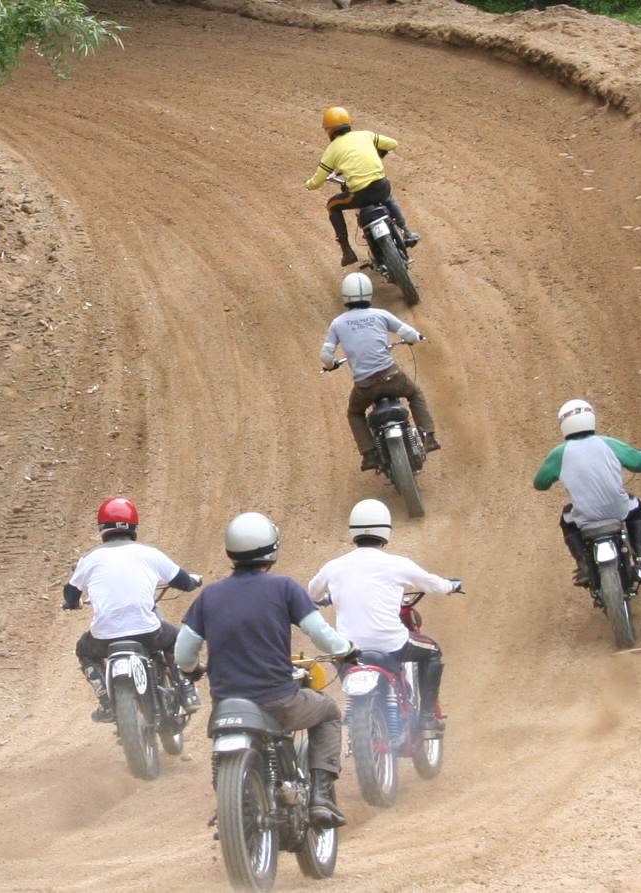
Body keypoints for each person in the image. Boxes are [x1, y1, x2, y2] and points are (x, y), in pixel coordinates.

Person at [175, 512, 357, 828]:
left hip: (227, 706)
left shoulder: (209, 596)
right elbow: (321, 634)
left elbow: (183, 654)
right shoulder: (284, 587)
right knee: (328, 712)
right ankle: (321, 797)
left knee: (222, 741)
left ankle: (228, 805)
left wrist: (192, 670)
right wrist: (347, 650)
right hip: (279, 701)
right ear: (272, 548)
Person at [309, 499, 461, 732]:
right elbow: (433, 585)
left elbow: (312, 592)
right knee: (433, 652)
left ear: (353, 531)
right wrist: (451, 585)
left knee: (343, 658)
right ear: (386, 530)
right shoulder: (397, 564)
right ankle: (427, 718)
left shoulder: (334, 566)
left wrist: (329, 597)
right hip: (392, 644)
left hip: (347, 649)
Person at [63, 497, 203, 723]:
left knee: (85, 651)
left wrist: (72, 603)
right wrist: (193, 582)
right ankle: (187, 690)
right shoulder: (150, 554)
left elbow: (70, 593)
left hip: (104, 638)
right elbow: (184, 582)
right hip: (147, 632)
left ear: (102, 528)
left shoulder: (89, 559)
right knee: (175, 638)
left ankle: (107, 702)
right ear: (134, 526)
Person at [321, 271, 438, 470]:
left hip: (365, 387)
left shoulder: (338, 323)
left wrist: (330, 364)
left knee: (355, 413)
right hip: (392, 377)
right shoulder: (381, 315)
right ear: (368, 292)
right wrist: (416, 338)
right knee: (415, 393)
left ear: (345, 296)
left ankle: (369, 454)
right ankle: (429, 436)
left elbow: (326, 354)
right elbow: (408, 333)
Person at [533, 399, 641, 586]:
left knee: (566, 518)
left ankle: (584, 566)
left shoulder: (559, 454)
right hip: (618, 510)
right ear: (591, 418)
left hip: (585, 518)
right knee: (635, 505)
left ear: (563, 425)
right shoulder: (609, 443)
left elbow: (540, 484)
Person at [304, 106, 419, 267]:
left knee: (332, 206)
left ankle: (347, 250)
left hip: (360, 195)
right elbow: (392, 144)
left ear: (329, 130)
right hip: (381, 186)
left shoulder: (332, 150)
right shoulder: (366, 135)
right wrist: (377, 156)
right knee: (388, 196)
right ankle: (407, 232)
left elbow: (317, 181)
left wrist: (308, 185)